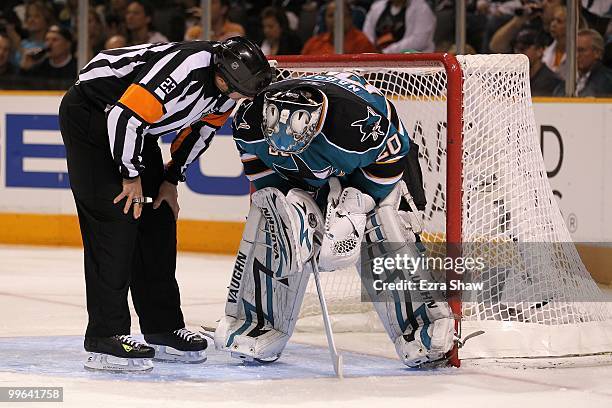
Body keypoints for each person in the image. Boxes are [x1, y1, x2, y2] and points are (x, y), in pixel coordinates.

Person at [58, 37, 273, 372]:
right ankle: (105, 336)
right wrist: (130, 177)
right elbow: (124, 116)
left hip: (136, 129)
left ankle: (161, 326)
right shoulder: (184, 68)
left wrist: (170, 179)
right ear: (221, 77)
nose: (239, 101)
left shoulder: (227, 89)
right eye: (238, 93)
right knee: (116, 217)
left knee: (157, 218)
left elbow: (201, 131)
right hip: (94, 114)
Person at [214, 72, 455, 368]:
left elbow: (393, 159)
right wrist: (291, 205)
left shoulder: (360, 122)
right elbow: (254, 160)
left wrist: (358, 203)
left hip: (372, 164)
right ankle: (258, 323)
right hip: (303, 168)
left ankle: (423, 326)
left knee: (383, 224)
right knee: (274, 217)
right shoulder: (249, 120)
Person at [301, 0, 377, 55]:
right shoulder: (313, 43)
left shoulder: (363, 43)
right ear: (325, 19)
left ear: (350, 18)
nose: (335, 19)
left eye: (341, 15)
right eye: (331, 16)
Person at [362, 0, 436, 53]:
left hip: (411, 62)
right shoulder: (377, 7)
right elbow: (367, 35)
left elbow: (419, 41)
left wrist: (385, 52)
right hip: (378, 60)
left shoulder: (422, 9)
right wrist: (372, 52)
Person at [556, 29, 612, 97]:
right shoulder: (567, 79)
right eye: (574, 51)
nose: (576, 55)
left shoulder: (607, 81)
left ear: (597, 53)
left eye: (581, 50)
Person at [513, 28, 562, 96]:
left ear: (539, 51)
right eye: (516, 49)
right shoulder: (513, 80)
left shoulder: (552, 82)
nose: (518, 54)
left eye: (523, 49)